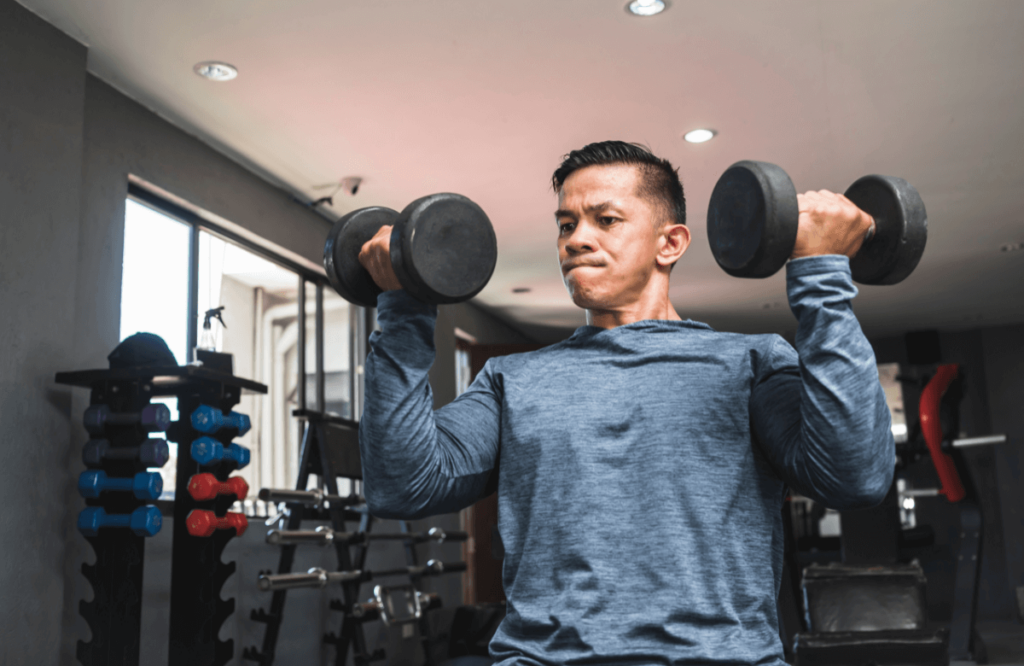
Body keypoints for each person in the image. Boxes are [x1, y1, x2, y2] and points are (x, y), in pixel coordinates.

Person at [356, 141, 894, 666]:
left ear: (671, 243)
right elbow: (403, 484)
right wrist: (403, 310)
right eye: (566, 225)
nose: (575, 240)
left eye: (605, 220)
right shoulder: (512, 380)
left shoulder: (749, 365)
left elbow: (853, 476)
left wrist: (822, 275)